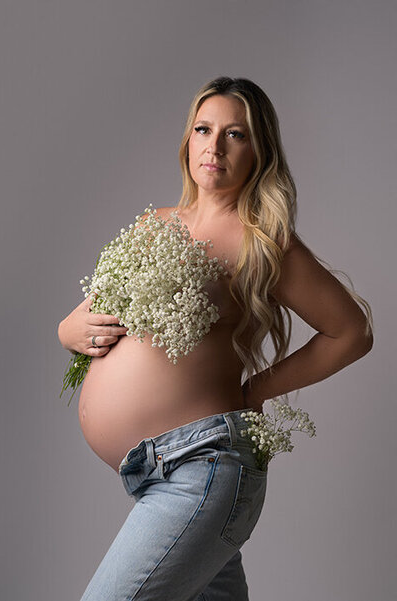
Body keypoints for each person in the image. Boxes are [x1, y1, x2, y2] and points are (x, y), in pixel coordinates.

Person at [57, 76, 373, 601]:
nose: (215, 145)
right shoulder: (154, 225)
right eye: (204, 129)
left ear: (259, 150)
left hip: (201, 470)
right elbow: (90, 315)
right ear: (188, 141)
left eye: (236, 134)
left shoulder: (263, 242)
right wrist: (66, 330)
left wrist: (255, 394)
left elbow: (351, 332)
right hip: (156, 473)